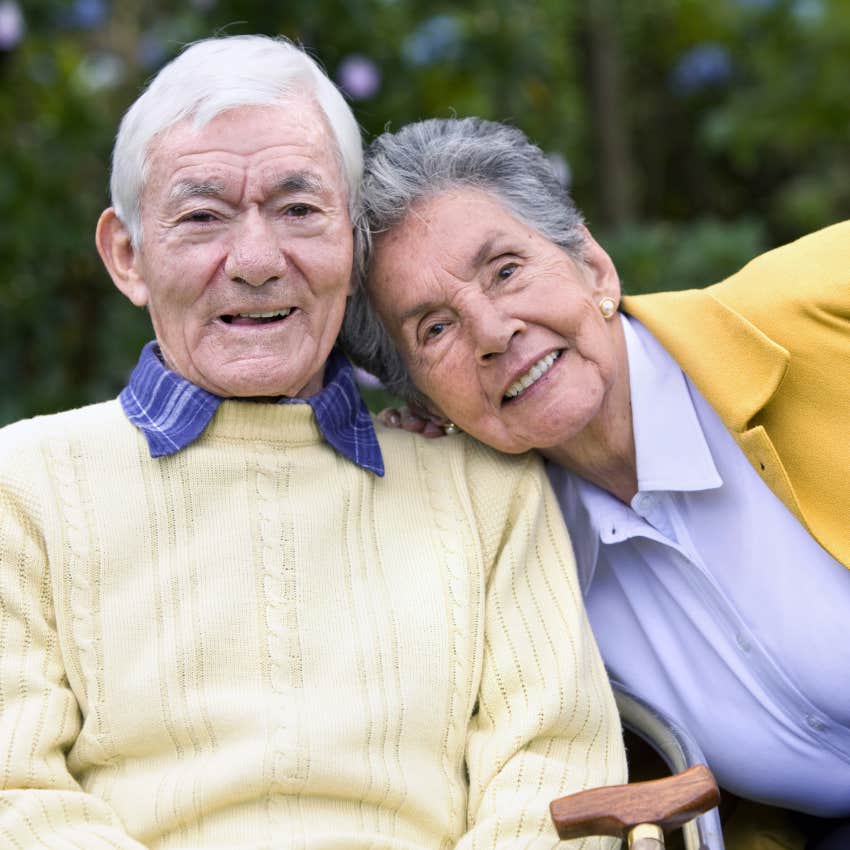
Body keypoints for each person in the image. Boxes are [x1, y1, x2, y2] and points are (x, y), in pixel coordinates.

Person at [0, 40, 627, 849]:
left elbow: (557, 770)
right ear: (129, 256)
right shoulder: (25, 485)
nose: (258, 261)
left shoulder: (480, 482)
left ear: (352, 247)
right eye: (202, 217)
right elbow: (15, 790)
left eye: (299, 210)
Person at [341, 117, 850, 850]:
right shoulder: (520, 559)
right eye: (434, 330)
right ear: (423, 400)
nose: (492, 331)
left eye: (506, 269)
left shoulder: (817, 307)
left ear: (593, 265)